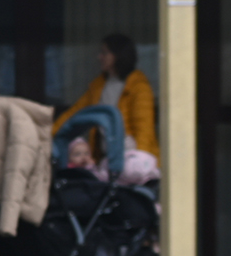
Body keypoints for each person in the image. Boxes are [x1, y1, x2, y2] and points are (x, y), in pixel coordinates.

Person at [55, 33, 158, 162]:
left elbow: (144, 128)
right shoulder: (99, 85)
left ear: (118, 55)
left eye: (104, 53)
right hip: (108, 161)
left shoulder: (138, 86)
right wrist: (50, 135)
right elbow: (74, 113)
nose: (99, 57)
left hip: (133, 161)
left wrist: (140, 163)